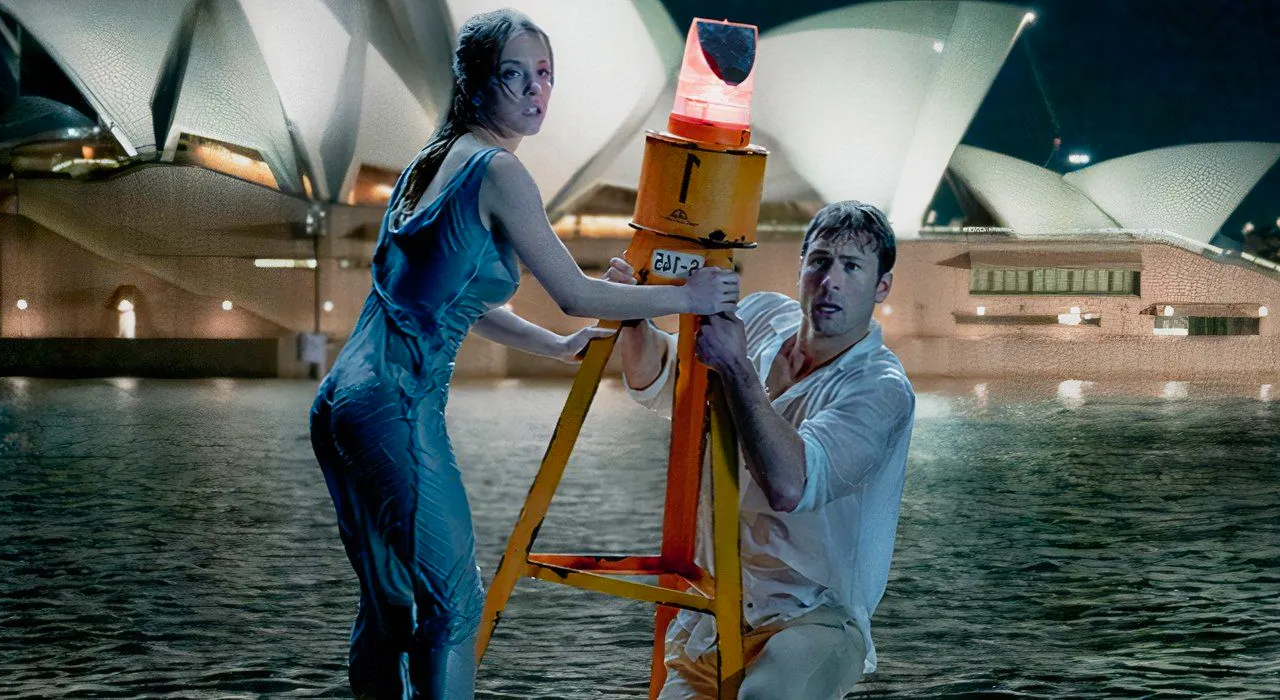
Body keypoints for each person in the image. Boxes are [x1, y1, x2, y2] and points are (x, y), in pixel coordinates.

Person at [308, 9, 739, 699]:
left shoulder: (428, 161)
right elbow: (573, 291)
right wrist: (688, 299)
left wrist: (554, 347)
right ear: (474, 85)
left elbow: (450, 304)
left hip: (339, 405)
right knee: (453, 610)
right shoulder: (500, 172)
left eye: (545, 75)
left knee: (391, 608)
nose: (536, 90)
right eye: (515, 75)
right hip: (396, 406)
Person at [611, 201, 916, 699]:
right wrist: (632, 315)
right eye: (819, 261)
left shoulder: (881, 389)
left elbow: (791, 484)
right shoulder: (760, 315)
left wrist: (737, 369)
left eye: (852, 266)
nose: (830, 281)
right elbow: (663, 383)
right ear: (800, 268)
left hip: (814, 618)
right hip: (717, 608)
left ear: (882, 287)